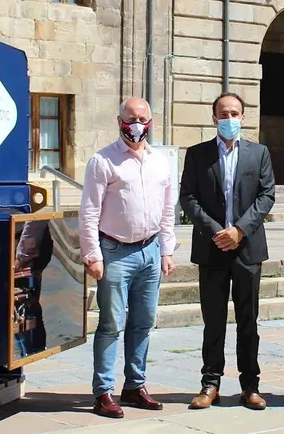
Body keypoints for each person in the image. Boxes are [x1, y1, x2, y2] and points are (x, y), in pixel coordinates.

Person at [79, 98, 177, 418]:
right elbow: (89, 213)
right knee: (110, 324)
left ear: (151, 121)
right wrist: (92, 255)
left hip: (149, 251)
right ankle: (104, 391)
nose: (136, 124)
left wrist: (166, 249)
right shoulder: (103, 160)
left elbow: (166, 211)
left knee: (143, 322)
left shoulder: (160, 162)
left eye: (142, 118)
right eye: (131, 118)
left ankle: (135, 385)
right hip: (115, 251)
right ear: (119, 120)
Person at [179, 92, 276, 411]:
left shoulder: (258, 153)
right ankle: (210, 384)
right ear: (214, 119)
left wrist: (240, 230)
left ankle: (251, 385)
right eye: (223, 114)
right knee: (214, 321)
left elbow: (266, 195)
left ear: (243, 118)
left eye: (235, 113)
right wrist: (216, 232)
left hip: (247, 249)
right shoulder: (197, 154)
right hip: (212, 248)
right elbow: (188, 198)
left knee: (248, 319)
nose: (229, 119)